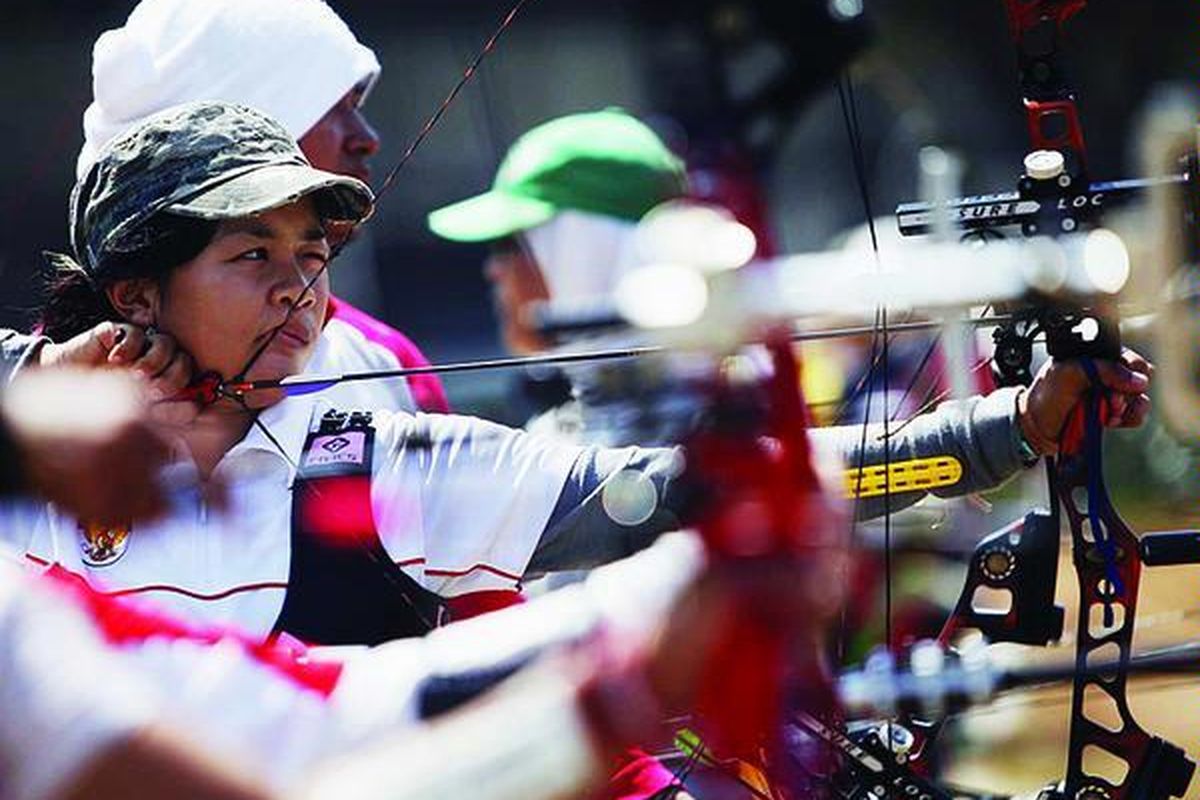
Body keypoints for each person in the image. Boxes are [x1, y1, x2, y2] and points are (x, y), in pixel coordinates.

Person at [426, 108, 1154, 517]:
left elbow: (825, 476)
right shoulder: (550, 439)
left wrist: (1018, 424)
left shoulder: (722, 416)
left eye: (514, 243)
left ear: (583, 250)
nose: (493, 270)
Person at [75, 0, 449, 414]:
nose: (366, 137)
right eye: (330, 106)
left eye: (310, 255)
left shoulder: (382, 360)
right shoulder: (43, 390)